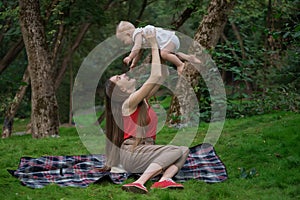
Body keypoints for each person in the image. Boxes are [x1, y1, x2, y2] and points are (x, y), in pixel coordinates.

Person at [105, 27, 190, 194]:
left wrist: (159, 47)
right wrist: (152, 43)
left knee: (184, 150)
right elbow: (155, 76)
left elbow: (162, 75)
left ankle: (165, 179)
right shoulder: (129, 103)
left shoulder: (141, 98)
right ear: (120, 90)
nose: (123, 75)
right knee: (174, 150)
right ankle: (140, 182)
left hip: (146, 151)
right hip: (133, 152)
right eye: (119, 78)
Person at [116, 20, 201, 75]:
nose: (125, 43)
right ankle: (189, 58)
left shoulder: (137, 34)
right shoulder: (139, 37)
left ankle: (180, 64)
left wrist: (130, 57)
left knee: (164, 54)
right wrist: (134, 63)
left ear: (128, 34)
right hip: (170, 41)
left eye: (124, 41)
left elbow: (137, 47)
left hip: (169, 39)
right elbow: (139, 52)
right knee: (172, 55)